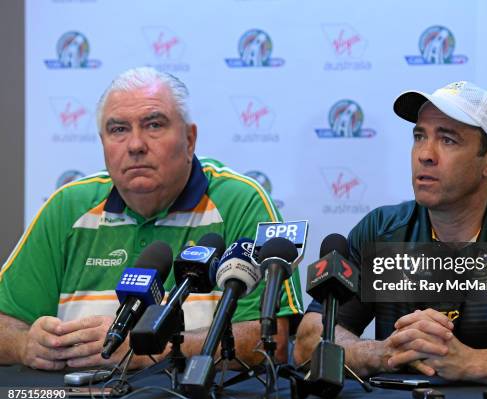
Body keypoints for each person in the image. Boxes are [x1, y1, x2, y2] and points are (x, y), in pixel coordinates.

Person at [294, 81, 487, 384]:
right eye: (419, 136)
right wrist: (384, 352)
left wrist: (474, 363)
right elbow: (310, 338)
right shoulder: (381, 231)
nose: (425, 154)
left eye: (447, 139)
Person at [0, 67, 303, 370]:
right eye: (118, 129)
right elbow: (5, 325)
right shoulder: (68, 207)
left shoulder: (242, 202)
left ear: (190, 139)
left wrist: (145, 348)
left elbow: (266, 341)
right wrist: (25, 343)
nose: (135, 145)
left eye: (154, 125)